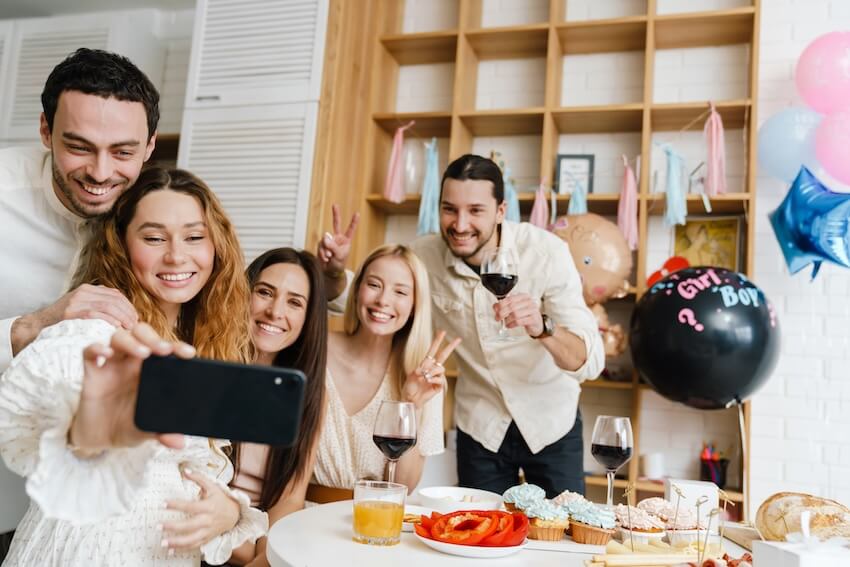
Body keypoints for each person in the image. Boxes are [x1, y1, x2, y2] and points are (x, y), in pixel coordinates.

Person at [0, 168, 267, 566]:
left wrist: (228, 512)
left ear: (217, 248)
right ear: (122, 246)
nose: (177, 255)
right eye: (154, 238)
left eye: (194, 237)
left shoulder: (206, 344)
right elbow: (67, 423)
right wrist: (93, 425)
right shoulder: (96, 327)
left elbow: (196, 473)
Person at [321, 154, 605, 499]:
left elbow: (588, 360)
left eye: (475, 211)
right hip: (480, 425)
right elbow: (368, 300)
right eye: (449, 209)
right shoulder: (424, 256)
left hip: (551, 422)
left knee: (562, 536)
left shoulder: (546, 253)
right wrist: (334, 271)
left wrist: (541, 327)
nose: (459, 224)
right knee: (474, 535)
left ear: (501, 211)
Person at [0, 47, 159, 550]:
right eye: (79, 147)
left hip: (72, 513)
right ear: (46, 131)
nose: (100, 171)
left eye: (123, 151)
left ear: (150, 147)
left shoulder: (150, 209)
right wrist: (32, 325)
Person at [310, 244, 460, 495]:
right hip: (303, 515)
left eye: (400, 292)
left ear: (414, 306)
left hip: (375, 519)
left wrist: (411, 404)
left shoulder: (426, 378)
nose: (383, 300)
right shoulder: (314, 349)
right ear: (356, 290)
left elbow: (404, 486)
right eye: (374, 285)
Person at [223, 248, 328, 567]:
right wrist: (249, 553)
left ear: (308, 318)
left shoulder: (308, 394)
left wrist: (265, 557)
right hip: (206, 534)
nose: (274, 311)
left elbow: (290, 499)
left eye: (294, 302)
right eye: (265, 293)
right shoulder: (211, 367)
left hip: (262, 545)